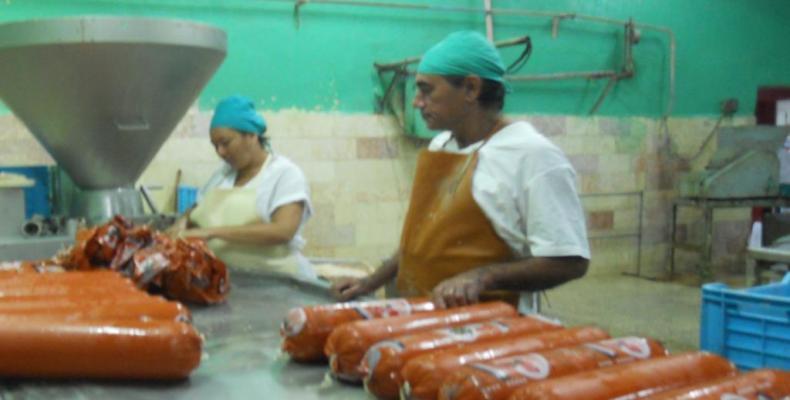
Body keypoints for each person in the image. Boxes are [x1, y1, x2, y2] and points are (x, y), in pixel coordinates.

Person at [331, 31, 589, 308]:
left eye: (427, 89)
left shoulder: (533, 156)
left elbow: (570, 262)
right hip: (422, 317)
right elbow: (422, 242)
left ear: (471, 89)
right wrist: (371, 281)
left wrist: (483, 277)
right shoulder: (441, 145)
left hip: (491, 330)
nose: (416, 101)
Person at [169, 95, 315, 279]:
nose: (220, 152)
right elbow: (196, 208)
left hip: (278, 284)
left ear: (252, 135)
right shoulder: (222, 176)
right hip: (232, 282)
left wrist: (212, 233)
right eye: (215, 146)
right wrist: (182, 222)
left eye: (225, 143)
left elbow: (283, 231)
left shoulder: (284, 174)